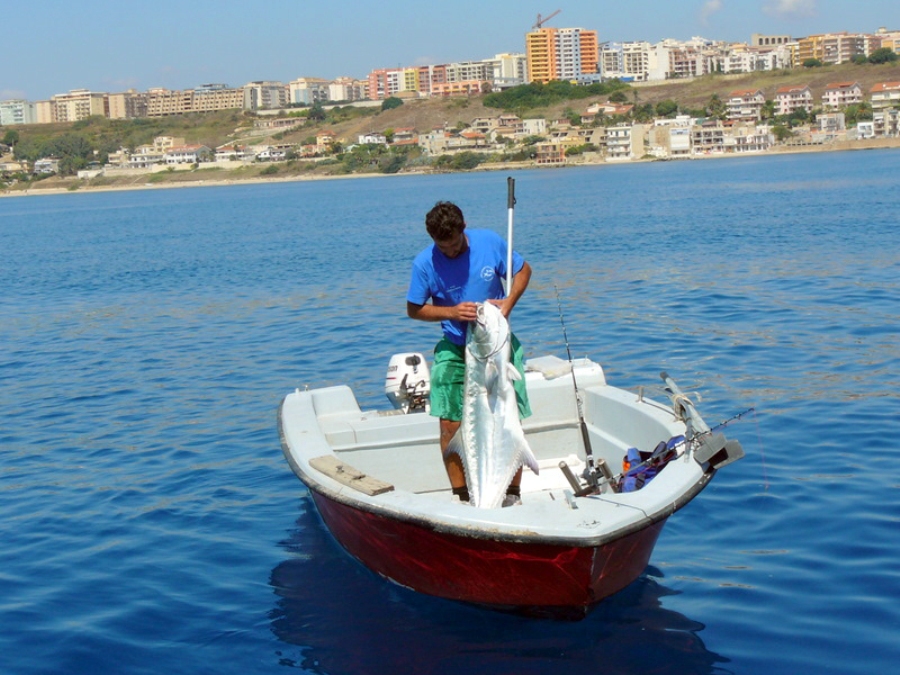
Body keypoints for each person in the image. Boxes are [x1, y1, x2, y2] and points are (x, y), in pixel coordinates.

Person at [406, 201, 532, 506]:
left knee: (509, 416)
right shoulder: (425, 263)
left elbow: (523, 270)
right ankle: (463, 495)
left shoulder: (489, 242)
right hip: (455, 346)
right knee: (449, 421)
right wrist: (451, 311)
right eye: (442, 247)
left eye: (454, 244)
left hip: (497, 343)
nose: (449, 252)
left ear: (464, 229)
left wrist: (508, 302)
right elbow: (414, 309)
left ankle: (511, 493)